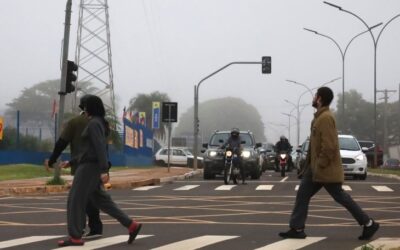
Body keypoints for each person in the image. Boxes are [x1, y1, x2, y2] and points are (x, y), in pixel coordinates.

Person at [279, 87, 379, 240]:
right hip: (316, 169)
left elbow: (330, 146)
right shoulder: (318, 118)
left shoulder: (325, 118)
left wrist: (319, 165)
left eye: (315, 96)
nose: (312, 98)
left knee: (340, 196)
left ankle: (368, 223)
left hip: (324, 169)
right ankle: (297, 228)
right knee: (303, 195)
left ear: (319, 99)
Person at [57, 95, 141, 247]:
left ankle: (75, 237)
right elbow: (89, 149)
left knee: (75, 200)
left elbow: (99, 148)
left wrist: (104, 170)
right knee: (102, 201)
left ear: (90, 107)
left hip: (89, 168)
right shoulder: (98, 122)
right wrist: (72, 162)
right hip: (90, 165)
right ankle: (131, 225)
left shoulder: (94, 123)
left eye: (84, 107)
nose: (82, 110)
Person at [45, 94, 103, 239]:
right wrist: (105, 167)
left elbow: (61, 142)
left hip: (82, 166)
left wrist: (52, 159)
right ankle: (98, 227)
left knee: (78, 199)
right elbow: (102, 147)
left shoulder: (75, 122)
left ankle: (80, 230)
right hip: (96, 166)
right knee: (95, 197)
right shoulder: (100, 122)